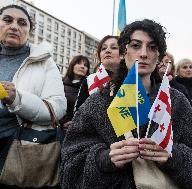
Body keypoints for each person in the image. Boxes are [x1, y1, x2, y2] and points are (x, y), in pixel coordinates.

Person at [60, 19, 192, 189]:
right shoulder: (97, 102)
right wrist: (104, 159)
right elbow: (68, 171)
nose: (143, 54)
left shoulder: (176, 102)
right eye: (135, 45)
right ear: (123, 51)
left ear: (159, 56)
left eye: (152, 47)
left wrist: (173, 156)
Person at [0, 4, 66, 188]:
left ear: (29, 31)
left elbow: (58, 108)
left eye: (22, 23)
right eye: (7, 20)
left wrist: (17, 99)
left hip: (17, 150)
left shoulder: (44, 61)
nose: (14, 26)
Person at [74, 35, 120, 111]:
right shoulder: (89, 80)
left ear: (123, 54)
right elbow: (78, 113)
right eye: (104, 48)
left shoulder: (132, 79)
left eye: (114, 47)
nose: (107, 51)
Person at [59, 55, 90, 129]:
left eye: (85, 65)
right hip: (58, 128)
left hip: (79, 129)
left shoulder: (89, 87)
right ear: (72, 65)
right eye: (79, 63)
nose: (82, 67)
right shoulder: (60, 83)